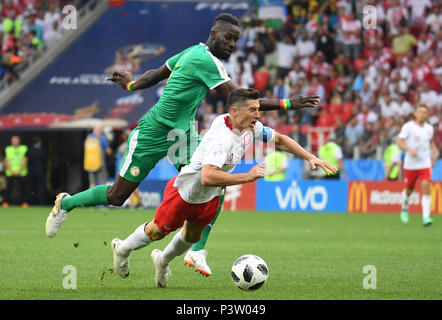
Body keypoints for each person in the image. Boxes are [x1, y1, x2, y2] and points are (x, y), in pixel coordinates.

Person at [45, 13, 321, 277]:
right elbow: (237, 98)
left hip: (183, 135)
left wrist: (132, 86)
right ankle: (66, 202)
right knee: (117, 197)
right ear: (214, 35)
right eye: (228, 38)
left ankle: (197, 250)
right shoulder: (204, 59)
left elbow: (155, 74)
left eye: (236, 40)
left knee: (214, 180)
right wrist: (287, 103)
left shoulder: (192, 52)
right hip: (154, 130)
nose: (232, 45)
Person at [110, 89, 337, 287]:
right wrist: (246, 176)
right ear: (235, 112)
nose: (258, 115)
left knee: (191, 236)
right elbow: (208, 176)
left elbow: (279, 139)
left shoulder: (249, 127)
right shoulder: (221, 139)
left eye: (258, 109)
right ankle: (122, 249)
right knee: (157, 231)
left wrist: (310, 157)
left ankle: (162, 262)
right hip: (185, 192)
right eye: (253, 110)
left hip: (209, 197)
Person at [397, 104, 439, 226]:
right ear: (415, 113)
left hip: (424, 163)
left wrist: (435, 154)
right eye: (420, 112)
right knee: (409, 189)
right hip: (410, 164)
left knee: (426, 186)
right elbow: (399, 141)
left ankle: (426, 217)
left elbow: (430, 142)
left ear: (427, 114)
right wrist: (409, 149)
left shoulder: (429, 128)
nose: (422, 114)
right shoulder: (408, 127)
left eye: (424, 112)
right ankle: (404, 208)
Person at [3, 135, 28, 208]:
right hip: (10, 172)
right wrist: (11, 170)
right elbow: (6, 160)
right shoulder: (7, 149)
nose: (15, 142)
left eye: (16, 140)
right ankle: (6, 202)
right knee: (8, 188)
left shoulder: (24, 148)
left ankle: (24, 203)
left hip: (22, 172)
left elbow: (25, 159)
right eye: (13, 140)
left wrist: (19, 171)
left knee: (23, 188)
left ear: (19, 141)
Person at [27, 136, 47, 205]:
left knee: (31, 188)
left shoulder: (29, 151)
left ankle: (30, 202)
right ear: (39, 143)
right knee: (41, 189)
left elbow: (27, 162)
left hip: (31, 172)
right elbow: (45, 162)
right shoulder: (42, 151)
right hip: (40, 172)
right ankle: (41, 202)